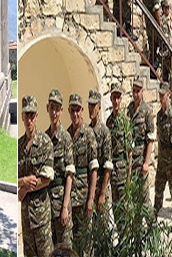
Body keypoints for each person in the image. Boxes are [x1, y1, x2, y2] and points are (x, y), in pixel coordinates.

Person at [18, 95, 54, 257]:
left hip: (41, 217)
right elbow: (15, 177)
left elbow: (46, 179)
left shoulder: (45, 142)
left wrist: (24, 190)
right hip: (26, 219)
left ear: (37, 116)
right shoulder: (18, 146)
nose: (29, 120)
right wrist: (23, 181)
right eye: (27, 115)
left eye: (32, 115)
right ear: (22, 116)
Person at [45, 89, 74, 245]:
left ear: (62, 111)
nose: (54, 112)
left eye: (57, 108)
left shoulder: (66, 138)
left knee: (65, 248)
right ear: (47, 108)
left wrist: (65, 207)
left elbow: (69, 175)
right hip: (47, 204)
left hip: (61, 202)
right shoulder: (45, 139)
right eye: (52, 107)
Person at [66, 93, 97, 238]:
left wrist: (91, 198)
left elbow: (94, 169)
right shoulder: (67, 136)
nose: (75, 114)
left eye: (78, 110)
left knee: (86, 241)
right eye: (72, 110)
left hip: (84, 198)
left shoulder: (89, 134)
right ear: (68, 111)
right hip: (71, 199)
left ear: (82, 110)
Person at [128, 76, 155, 204]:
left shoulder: (147, 111)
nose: (135, 94)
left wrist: (146, 163)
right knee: (134, 199)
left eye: (138, 91)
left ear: (142, 91)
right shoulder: (129, 110)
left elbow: (150, 139)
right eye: (134, 90)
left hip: (141, 159)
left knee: (144, 200)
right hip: (131, 161)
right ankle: (137, 225)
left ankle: (152, 224)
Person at [154, 82, 172, 216]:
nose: (161, 97)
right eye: (160, 94)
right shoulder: (159, 116)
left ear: (168, 95)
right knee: (158, 190)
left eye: (163, 95)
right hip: (162, 160)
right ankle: (153, 221)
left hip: (170, 159)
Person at [106, 82, 130, 213]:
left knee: (124, 209)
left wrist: (129, 177)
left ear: (121, 99)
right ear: (110, 98)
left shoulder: (125, 121)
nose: (116, 101)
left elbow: (129, 152)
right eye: (114, 97)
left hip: (123, 171)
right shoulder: (108, 122)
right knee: (115, 209)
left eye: (118, 97)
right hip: (113, 171)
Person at [87, 89, 112, 213]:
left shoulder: (104, 132)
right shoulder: (87, 131)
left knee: (102, 226)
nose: (91, 109)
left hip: (101, 183)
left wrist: (102, 193)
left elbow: (107, 165)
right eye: (89, 105)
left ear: (99, 107)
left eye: (94, 106)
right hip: (90, 187)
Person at [142, 0, 161, 69]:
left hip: (148, 20)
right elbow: (156, 6)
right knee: (160, 46)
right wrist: (159, 24)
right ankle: (154, 68)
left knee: (152, 45)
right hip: (153, 20)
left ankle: (152, 68)